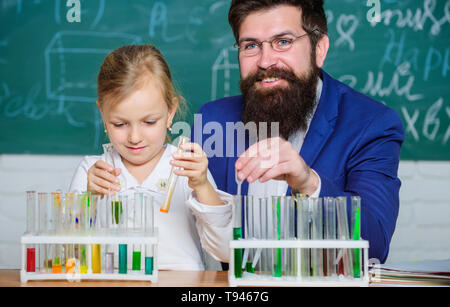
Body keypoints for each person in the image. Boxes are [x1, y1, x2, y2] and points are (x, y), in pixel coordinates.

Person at [193, 0, 404, 263]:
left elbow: (374, 246)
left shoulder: (372, 124)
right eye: (251, 46)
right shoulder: (213, 120)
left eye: (283, 42)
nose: (265, 61)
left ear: (319, 49)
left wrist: (308, 183)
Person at [69, 44, 232, 270]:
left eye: (149, 122)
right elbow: (70, 254)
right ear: (102, 114)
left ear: (170, 112)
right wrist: (89, 199)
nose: (135, 137)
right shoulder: (93, 172)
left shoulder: (187, 170)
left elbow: (225, 251)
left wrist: (202, 185)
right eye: (120, 124)